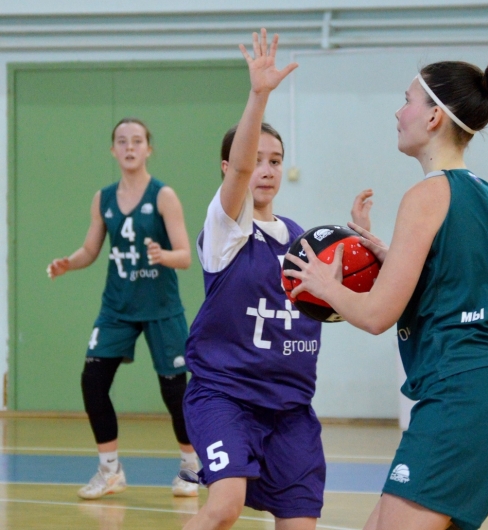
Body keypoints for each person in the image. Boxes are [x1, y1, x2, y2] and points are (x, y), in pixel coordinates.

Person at [284, 61, 488, 530]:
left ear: (434, 116)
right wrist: (391, 255)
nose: (399, 113)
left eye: (407, 100)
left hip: (462, 395)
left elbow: (377, 315)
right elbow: (455, 281)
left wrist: (325, 284)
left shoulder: (427, 195)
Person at [181, 29, 372, 530]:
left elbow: (340, 304)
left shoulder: (302, 240)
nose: (265, 169)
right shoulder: (226, 231)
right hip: (226, 397)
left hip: (290, 408)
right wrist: (259, 94)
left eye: (276, 161)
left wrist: (361, 250)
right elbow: (241, 171)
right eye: (256, 161)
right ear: (229, 168)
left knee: (300, 524)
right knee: (224, 506)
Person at [47, 117, 200, 500]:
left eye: (136, 140)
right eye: (121, 141)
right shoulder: (103, 198)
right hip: (117, 307)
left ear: (149, 149)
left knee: (175, 392)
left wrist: (163, 255)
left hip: (161, 307)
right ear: (113, 150)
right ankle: (110, 470)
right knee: (93, 382)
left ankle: (190, 467)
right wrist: (68, 263)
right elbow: (90, 249)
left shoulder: (164, 196)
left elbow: (185, 256)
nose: (129, 147)